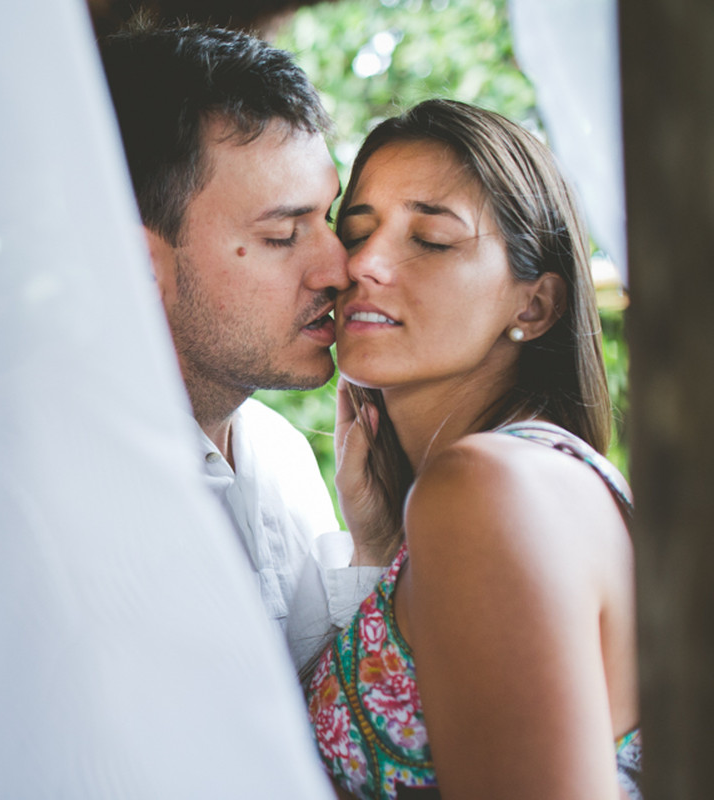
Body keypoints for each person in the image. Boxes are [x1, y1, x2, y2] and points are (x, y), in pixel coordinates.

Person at [306, 99, 640, 799]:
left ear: (534, 306)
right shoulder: (513, 486)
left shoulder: (488, 488)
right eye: (355, 231)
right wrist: (379, 548)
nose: (364, 263)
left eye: (429, 239)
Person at [100, 23, 382, 665]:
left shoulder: (283, 457)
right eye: (284, 234)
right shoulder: (43, 498)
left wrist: (374, 545)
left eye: (329, 220)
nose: (339, 270)